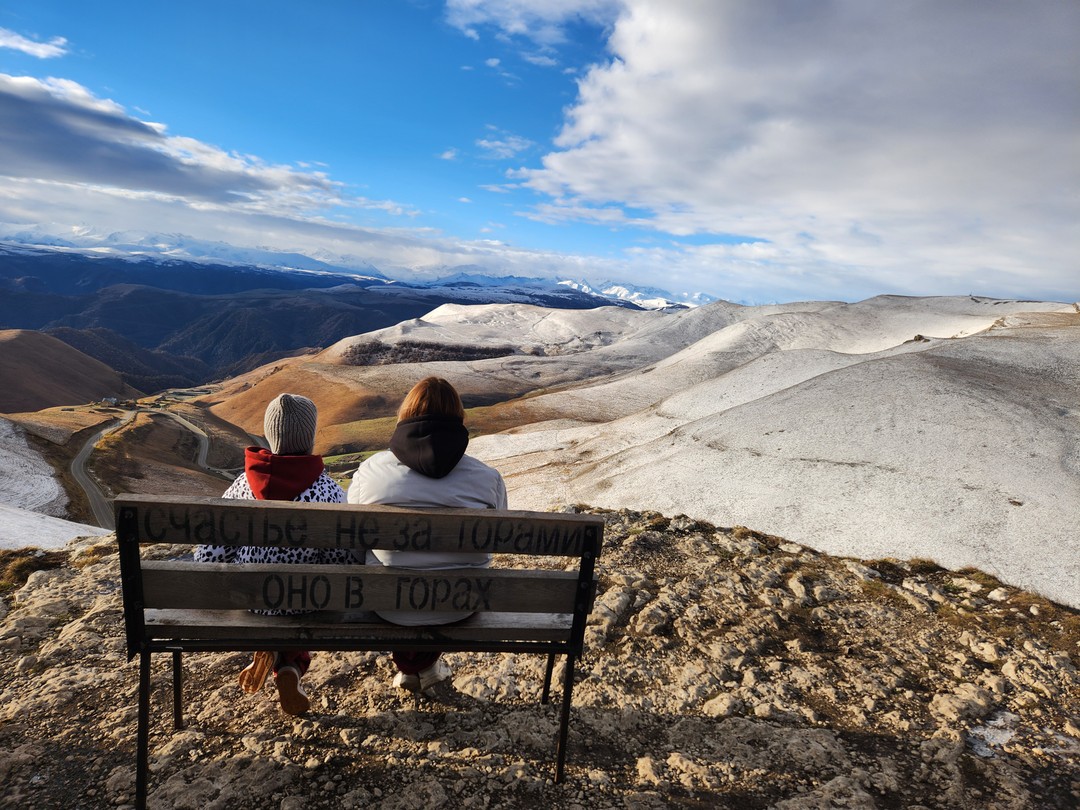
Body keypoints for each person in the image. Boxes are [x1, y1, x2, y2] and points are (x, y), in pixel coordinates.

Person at [348, 377, 507, 700]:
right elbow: (496, 541)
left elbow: (353, 543)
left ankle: (410, 666)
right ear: (458, 419)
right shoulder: (487, 479)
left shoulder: (370, 471)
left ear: (405, 415)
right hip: (461, 602)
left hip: (387, 603)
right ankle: (424, 667)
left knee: (389, 570)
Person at [195, 393, 352, 716]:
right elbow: (344, 562)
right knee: (305, 593)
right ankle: (290, 665)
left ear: (270, 435)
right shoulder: (330, 492)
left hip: (249, 597)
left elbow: (209, 556)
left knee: (267, 594)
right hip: (306, 599)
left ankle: (271, 653)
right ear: (309, 438)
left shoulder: (241, 486)